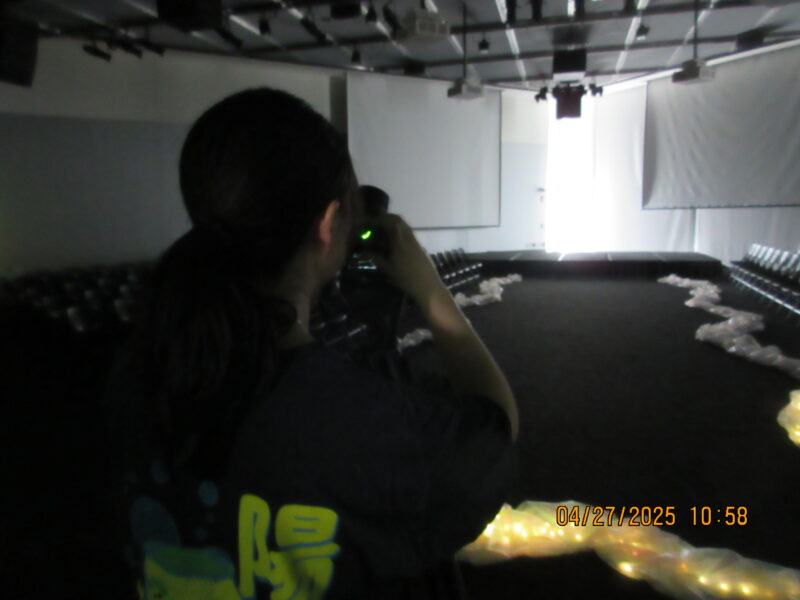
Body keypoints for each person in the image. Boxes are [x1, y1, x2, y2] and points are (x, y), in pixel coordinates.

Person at [104, 87, 519, 600]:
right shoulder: (360, 419)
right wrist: (430, 290)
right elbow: (495, 431)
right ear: (326, 224)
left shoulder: (132, 377)